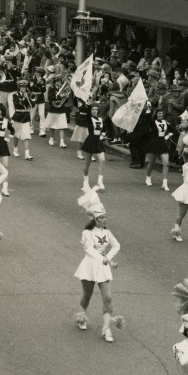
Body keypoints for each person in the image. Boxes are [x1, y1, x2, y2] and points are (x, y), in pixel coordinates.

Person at [73, 188, 122, 342]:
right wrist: (102, 258)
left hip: (103, 267)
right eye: (101, 218)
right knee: (87, 296)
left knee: (108, 298)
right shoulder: (87, 233)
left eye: (105, 217)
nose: (104, 220)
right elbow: (88, 250)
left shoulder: (107, 233)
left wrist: (107, 257)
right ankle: (81, 315)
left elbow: (117, 246)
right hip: (89, 266)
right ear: (95, 219)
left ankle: (106, 329)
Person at [80, 103, 108, 192]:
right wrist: (88, 104)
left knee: (102, 160)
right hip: (90, 141)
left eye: (96, 109)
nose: (94, 111)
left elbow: (104, 129)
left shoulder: (101, 119)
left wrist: (102, 135)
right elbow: (88, 113)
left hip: (98, 142)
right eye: (93, 110)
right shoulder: (89, 119)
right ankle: (85, 182)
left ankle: (100, 181)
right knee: (87, 163)